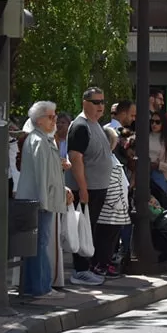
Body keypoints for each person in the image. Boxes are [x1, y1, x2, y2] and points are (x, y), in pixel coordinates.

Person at [16, 101, 70, 299]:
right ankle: (41, 287)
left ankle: (36, 286)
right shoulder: (39, 141)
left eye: (55, 116)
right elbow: (42, 176)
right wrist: (45, 203)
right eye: (50, 116)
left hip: (39, 201)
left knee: (37, 245)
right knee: (40, 244)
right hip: (39, 202)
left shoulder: (41, 140)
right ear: (39, 120)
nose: (55, 119)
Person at [66, 87, 113, 285]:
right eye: (96, 102)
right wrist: (83, 188)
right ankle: (80, 270)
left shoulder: (95, 125)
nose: (101, 106)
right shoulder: (80, 126)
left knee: (90, 229)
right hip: (87, 189)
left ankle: (88, 266)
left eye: (102, 102)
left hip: (97, 188)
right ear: (85, 102)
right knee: (82, 229)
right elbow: (76, 159)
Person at [97, 126, 131, 274]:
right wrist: (119, 204)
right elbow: (113, 185)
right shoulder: (107, 160)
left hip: (115, 208)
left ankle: (105, 262)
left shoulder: (110, 157)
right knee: (106, 239)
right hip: (112, 208)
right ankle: (103, 264)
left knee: (110, 238)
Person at [149, 108, 167, 192]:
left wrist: (160, 165)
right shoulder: (145, 137)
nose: (154, 124)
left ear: (163, 123)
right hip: (145, 172)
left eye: (157, 122)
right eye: (152, 121)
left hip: (160, 174)